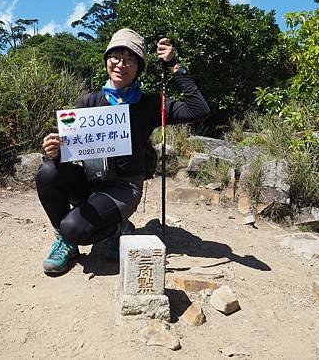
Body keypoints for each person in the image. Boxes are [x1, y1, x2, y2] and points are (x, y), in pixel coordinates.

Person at [36, 28, 210, 274]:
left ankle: (119, 227)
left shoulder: (150, 104)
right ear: (107, 60)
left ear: (139, 67)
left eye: (130, 59)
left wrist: (173, 64)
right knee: (47, 172)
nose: (121, 64)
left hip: (123, 188)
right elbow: (72, 151)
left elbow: (199, 109)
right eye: (115, 56)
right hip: (89, 181)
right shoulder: (89, 102)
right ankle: (65, 242)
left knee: (74, 227)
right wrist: (54, 152)